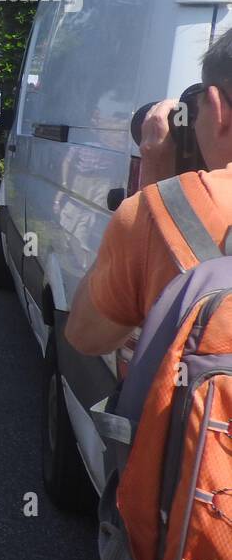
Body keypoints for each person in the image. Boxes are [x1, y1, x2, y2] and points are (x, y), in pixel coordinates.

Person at [67, 33, 232, 357]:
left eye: (196, 109)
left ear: (216, 106)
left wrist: (155, 177)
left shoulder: (167, 207)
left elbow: (87, 335)